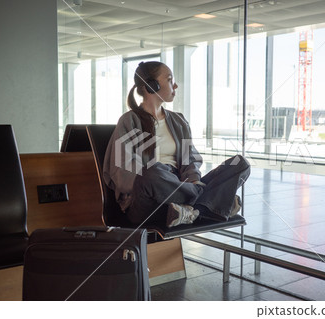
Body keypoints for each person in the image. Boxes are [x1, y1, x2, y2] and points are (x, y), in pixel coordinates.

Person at [103, 61, 250, 228]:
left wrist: (193, 180)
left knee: (240, 164)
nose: (176, 85)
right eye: (169, 79)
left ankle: (194, 210)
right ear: (152, 85)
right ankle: (209, 201)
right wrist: (174, 182)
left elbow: (190, 159)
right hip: (146, 199)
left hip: (181, 190)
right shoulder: (130, 121)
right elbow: (122, 171)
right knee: (153, 172)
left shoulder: (179, 121)